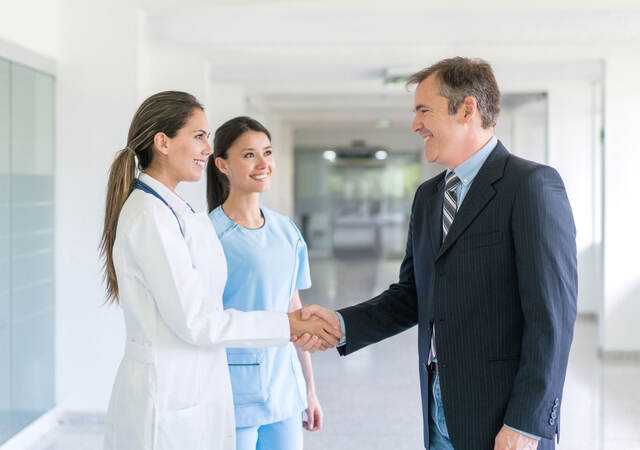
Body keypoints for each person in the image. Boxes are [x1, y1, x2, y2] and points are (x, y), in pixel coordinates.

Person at [300, 57, 577, 450]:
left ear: (467, 108)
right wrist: (341, 323)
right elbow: (413, 295)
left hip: (504, 417)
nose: (416, 125)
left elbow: (553, 318)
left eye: (423, 111)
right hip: (439, 406)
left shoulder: (530, 186)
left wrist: (526, 423)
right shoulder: (429, 198)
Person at [99, 91, 341, 450]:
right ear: (162, 143)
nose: (207, 149)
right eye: (198, 136)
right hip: (168, 394)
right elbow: (198, 321)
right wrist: (288, 325)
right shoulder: (150, 217)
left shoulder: (176, 212)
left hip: (198, 386)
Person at [206, 116, 322, 450]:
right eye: (249, 155)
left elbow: (294, 312)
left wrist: (309, 391)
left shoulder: (286, 231)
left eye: (267, 153)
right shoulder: (209, 235)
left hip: (285, 387)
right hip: (233, 390)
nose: (263, 164)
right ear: (222, 165)